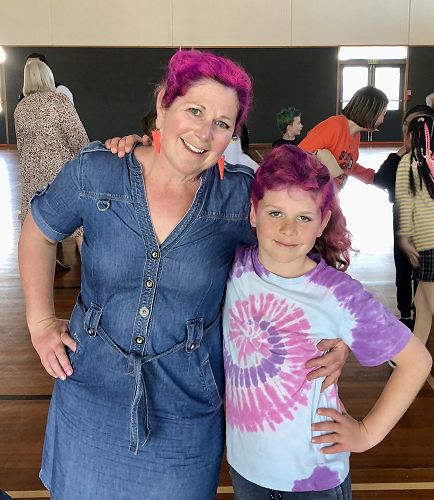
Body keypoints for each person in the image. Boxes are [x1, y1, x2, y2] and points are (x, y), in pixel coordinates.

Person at [18, 50, 347, 500]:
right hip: (89, 393)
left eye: (222, 123)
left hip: (185, 410)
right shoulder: (97, 173)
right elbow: (39, 231)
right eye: (194, 111)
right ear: (163, 105)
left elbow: (305, 250)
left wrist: (336, 334)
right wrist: (39, 322)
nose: (204, 132)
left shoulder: (239, 198)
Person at [223, 145, 432, 499]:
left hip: (313, 478)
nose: (288, 229)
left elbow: (417, 361)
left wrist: (366, 433)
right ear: (254, 212)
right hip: (247, 470)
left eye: (304, 218)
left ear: (322, 222)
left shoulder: (338, 294)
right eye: (276, 213)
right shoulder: (236, 265)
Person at [373, 101, 434, 329]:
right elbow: (381, 179)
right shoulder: (403, 159)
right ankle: (406, 313)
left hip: (430, 232)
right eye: (405, 125)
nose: (406, 131)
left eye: (412, 127)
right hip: (405, 223)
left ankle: (419, 317)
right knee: (404, 269)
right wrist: (401, 151)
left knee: (426, 279)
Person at [14, 60, 88, 265]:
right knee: (80, 225)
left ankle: (45, 269)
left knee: (39, 224)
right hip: (60, 174)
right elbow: (79, 139)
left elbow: (20, 145)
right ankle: (91, 270)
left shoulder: (20, 108)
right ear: (48, 77)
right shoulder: (60, 101)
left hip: (32, 175)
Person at [396, 114, 434, 371]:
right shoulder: (432, 164)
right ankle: (415, 354)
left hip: (430, 244)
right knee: (423, 303)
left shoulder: (408, 163)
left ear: (411, 137)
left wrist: (404, 238)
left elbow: (405, 204)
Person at [300, 86, 388, 190]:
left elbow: (347, 164)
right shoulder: (334, 126)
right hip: (306, 195)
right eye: (383, 114)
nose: (383, 120)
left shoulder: (355, 135)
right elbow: (296, 156)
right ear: (370, 111)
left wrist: (373, 178)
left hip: (328, 195)